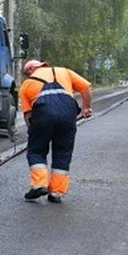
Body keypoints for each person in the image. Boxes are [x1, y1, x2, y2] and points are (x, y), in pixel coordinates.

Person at [19, 59, 93, 203]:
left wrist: (33, 133)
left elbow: (28, 115)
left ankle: (39, 185)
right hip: (67, 115)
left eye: (26, 71)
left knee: (36, 151)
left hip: (42, 115)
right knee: (63, 152)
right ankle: (56, 193)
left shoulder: (26, 84)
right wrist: (86, 107)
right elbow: (86, 87)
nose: (27, 74)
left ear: (32, 69)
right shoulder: (64, 72)